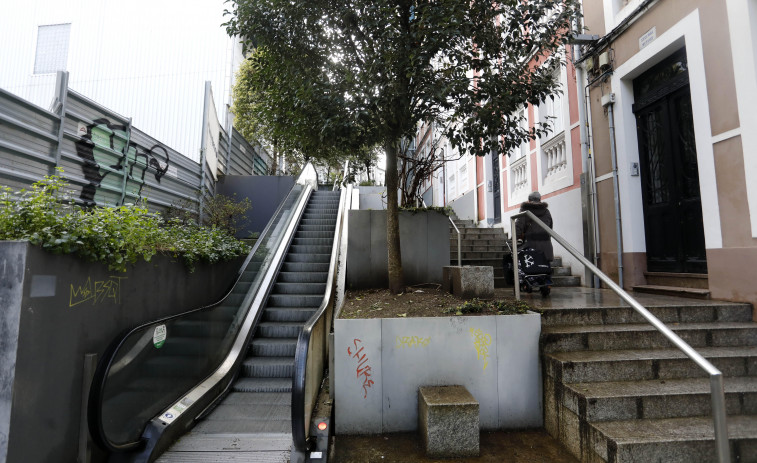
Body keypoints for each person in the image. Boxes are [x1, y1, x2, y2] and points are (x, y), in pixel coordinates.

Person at [515, 191, 554, 262]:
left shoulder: (525, 210)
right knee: (544, 269)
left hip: (530, 246)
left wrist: (514, 239)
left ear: (529, 200)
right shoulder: (546, 211)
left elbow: (518, 227)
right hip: (546, 247)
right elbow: (550, 227)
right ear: (539, 200)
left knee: (530, 269)